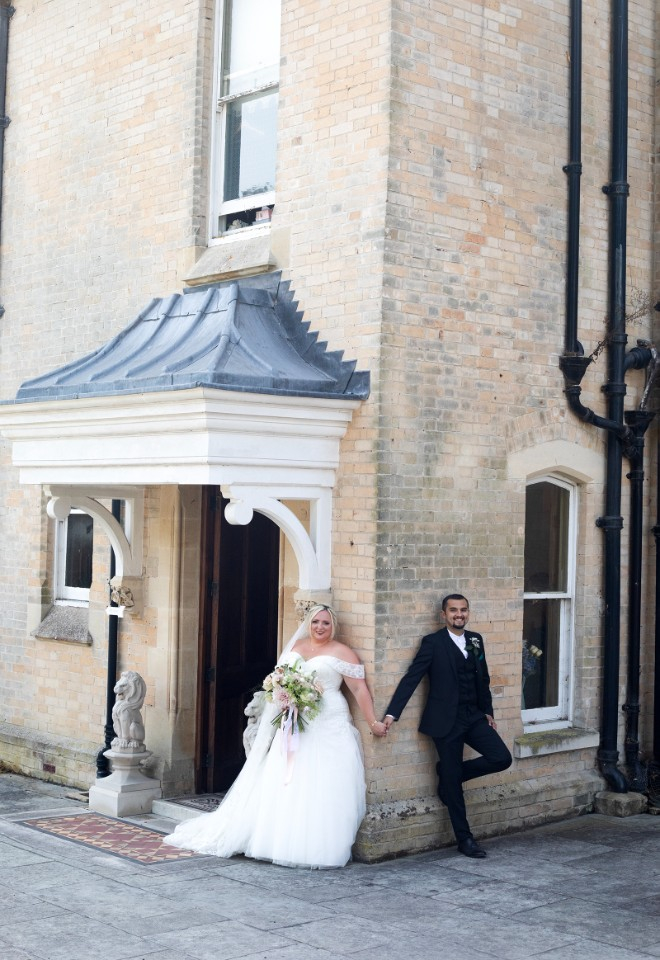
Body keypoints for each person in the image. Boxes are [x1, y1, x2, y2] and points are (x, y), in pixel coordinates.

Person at [164, 604, 387, 868]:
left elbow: (359, 690)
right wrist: (285, 698)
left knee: (322, 779)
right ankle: (278, 838)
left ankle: (314, 845)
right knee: (287, 777)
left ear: (333, 626)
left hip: (328, 721)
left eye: (326, 623)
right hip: (294, 721)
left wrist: (373, 721)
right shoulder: (296, 647)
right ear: (308, 623)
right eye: (316, 622)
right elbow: (280, 680)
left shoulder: (343, 652)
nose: (320, 627)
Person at [383, 594, 511, 858]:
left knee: (501, 758)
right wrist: (392, 714)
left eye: (463, 610)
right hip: (445, 721)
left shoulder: (476, 640)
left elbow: (483, 678)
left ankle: (449, 774)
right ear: (444, 614)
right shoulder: (433, 643)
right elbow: (412, 678)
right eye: (453, 610)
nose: (459, 614)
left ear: (468, 612)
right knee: (454, 786)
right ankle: (465, 839)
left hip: (473, 716)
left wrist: (487, 711)